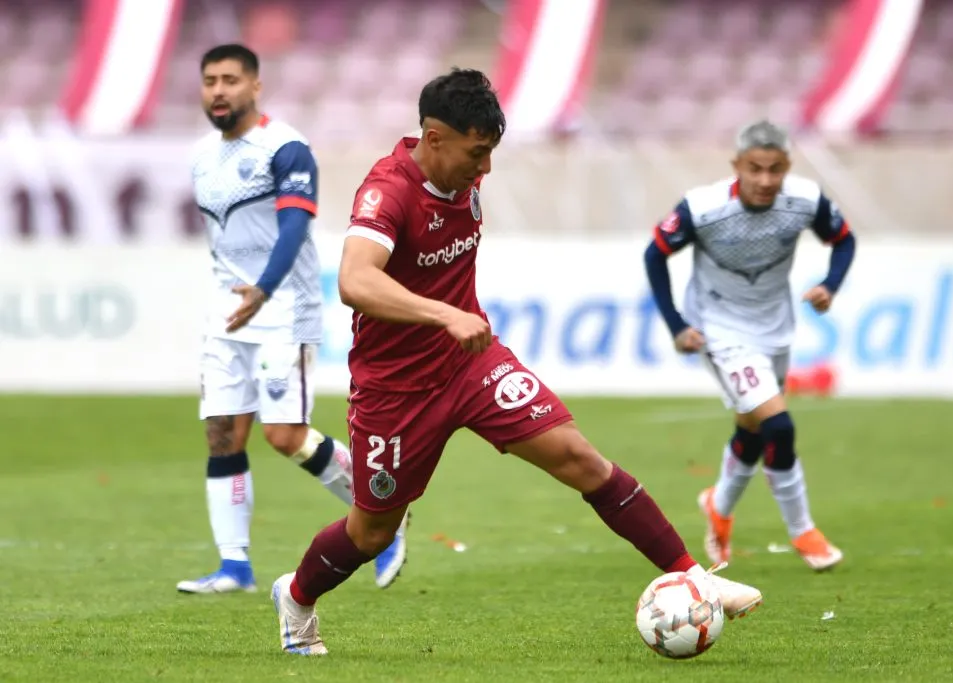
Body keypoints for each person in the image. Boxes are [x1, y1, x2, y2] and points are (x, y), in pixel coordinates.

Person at [269, 68, 763, 656]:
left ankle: (695, 578)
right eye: (476, 152)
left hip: (470, 365)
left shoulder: (465, 175)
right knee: (372, 531)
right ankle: (296, 597)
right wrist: (444, 314)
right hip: (396, 390)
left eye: (491, 152)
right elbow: (354, 280)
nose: (486, 167)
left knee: (581, 459)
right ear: (434, 138)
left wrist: (455, 324)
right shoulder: (388, 190)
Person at [178, 43, 409, 595]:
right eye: (210, 80)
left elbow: (293, 226)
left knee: (284, 435)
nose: (218, 91)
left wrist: (264, 288)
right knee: (222, 434)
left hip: (283, 306)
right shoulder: (201, 155)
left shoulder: (286, 148)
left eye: (230, 79)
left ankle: (387, 515)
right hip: (227, 312)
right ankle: (234, 567)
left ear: (255, 86)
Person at [643, 119, 856, 572]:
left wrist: (831, 285)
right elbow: (654, 254)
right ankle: (804, 533)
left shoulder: (805, 200)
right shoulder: (703, 208)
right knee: (778, 426)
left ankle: (718, 505)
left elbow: (843, 239)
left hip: (774, 328)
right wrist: (677, 325)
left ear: (787, 167)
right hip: (720, 331)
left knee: (753, 430)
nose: (765, 180)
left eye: (775, 169)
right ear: (736, 165)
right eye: (755, 169)